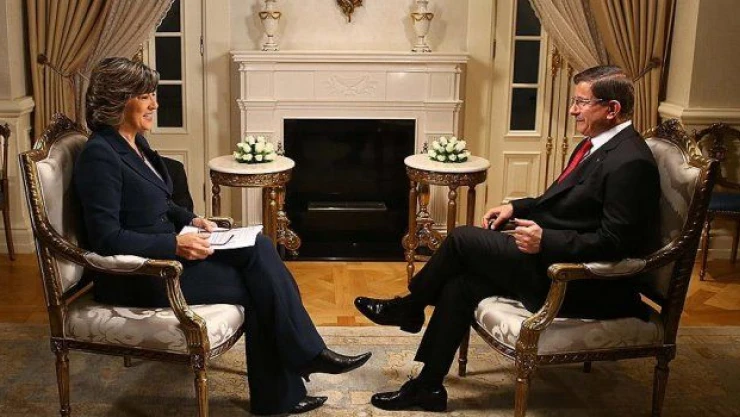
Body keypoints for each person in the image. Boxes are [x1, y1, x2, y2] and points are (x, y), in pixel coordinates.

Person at [74, 57, 371, 416]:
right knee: (260, 287)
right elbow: (105, 237)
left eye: (153, 94)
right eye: (145, 96)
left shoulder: (135, 143)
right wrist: (174, 243)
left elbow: (160, 202)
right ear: (118, 100)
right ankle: (290, 381)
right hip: (142, 275)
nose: (155, 104)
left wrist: (192, 219)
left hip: (170, 256)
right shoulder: (100, 155)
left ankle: (301, 365)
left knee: (259, 246)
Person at [354, 65, 661, 412]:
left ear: (612, 109)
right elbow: (561, 204)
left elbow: (618, 242)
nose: (572, 110)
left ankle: (410, 308)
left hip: (581, 284)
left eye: (581, 102)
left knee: (462, 239)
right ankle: (427, 387)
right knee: (460, 285)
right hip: (551, 264)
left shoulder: (630, 161)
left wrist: (546, 240)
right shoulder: (597, 146)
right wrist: (515, 207)